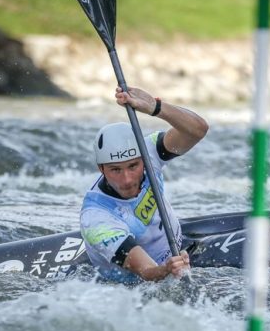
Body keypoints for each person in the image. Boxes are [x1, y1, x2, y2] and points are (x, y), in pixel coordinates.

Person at [80, 86, 208, 282]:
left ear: (142, 158)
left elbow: (198, 130)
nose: (128, 179)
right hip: (138, 284)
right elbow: (147, 272)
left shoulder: (148, 152)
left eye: (133, 166)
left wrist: (156, 107)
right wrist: (166, 269)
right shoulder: (97, 219)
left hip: (179, 247)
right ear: (101, 169)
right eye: (115, 170)